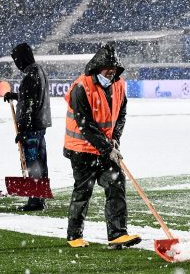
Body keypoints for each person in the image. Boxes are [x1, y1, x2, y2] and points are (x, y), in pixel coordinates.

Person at [64, 44, 141, 249]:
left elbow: (121, 114)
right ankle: (74, 235)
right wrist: (108, 149)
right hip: (81, 148)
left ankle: (117, 234)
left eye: (114, 70)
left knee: (116, 185)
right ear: (97, 67)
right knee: (83, 191)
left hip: (106, 147)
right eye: (108, 69)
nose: (112, 73)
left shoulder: (119, 85)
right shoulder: (81, 87)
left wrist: (115, 138)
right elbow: (85, 125)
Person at [3, 43, 52, 211]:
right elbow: (31, 97)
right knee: (41, 162)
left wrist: (24, 130)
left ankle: (35, 201)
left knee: (33, 164)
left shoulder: (31, 75)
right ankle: (40, 196)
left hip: (31, 128)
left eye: (16, 60)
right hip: (40, 126)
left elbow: (30, 104)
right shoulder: (39, 71)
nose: (16, 64)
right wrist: (16, 96)